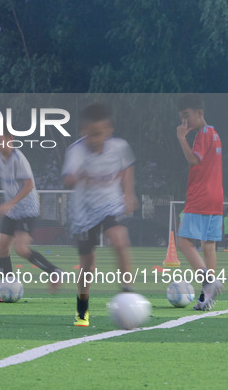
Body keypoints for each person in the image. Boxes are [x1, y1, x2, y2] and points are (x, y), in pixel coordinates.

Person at [62, 103, 138, 327]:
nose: (96, 138)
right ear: (83, 131)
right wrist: (77, 176)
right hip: (83, 214)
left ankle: (127, 294)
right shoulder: (76, 151)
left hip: (110, 206)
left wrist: (128, 192)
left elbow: (127, 166)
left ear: (109, 131)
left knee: (119, 239)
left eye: (100, 133)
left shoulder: (119, 147)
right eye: (91, 133)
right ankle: (82, 310)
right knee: (87, 264)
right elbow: (67, 179)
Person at [0, 132, 62, 302]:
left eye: (0, 141)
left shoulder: (19, 159)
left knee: (21, 249)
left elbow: (29, 185)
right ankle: (5, 288)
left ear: (10, 139)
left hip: (27, 210)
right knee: (2, 248)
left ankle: (54, 271)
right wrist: (9, 206)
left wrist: (10, 203)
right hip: (12, 211)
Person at [175, 94, 224, 310]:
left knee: (184, 242)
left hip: (200, 197)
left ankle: (208, 282)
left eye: (187, 116)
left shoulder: (202, 135)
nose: (184, 123)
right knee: (208, 246)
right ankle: (206, 299)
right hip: (216, 197)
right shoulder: (214, 133)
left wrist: (181, 137)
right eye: (181, 118)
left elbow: (193, 159)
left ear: (199, 113)